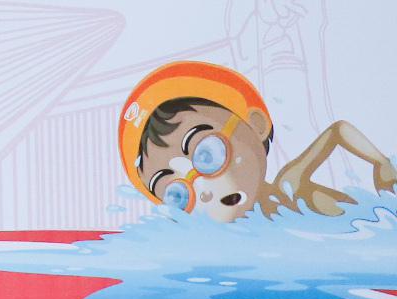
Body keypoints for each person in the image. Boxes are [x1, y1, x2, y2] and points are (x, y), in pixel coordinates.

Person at [120, 58, 397, 221]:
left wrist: (381, 164)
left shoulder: (290, 188)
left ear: (256, 125)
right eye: (176, 195)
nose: (202, 190)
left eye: (207, 155)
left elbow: (338, 131)